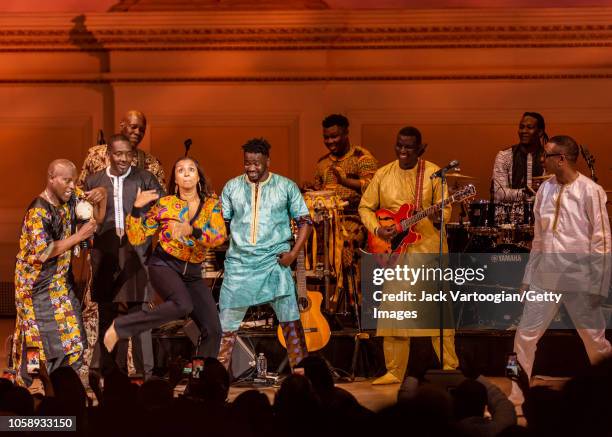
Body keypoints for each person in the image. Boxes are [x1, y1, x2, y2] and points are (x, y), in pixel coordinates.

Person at [510, 135, 612, 404]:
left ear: (561, 159)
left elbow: (602, 241)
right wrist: (528, 278)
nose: (542, 159)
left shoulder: (590, 191)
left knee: (595, 341)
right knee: (524, 337)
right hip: (545, 277)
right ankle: (517, 394)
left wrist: (600, 286)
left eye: (547, 155)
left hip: (580, 279)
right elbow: (539, 238)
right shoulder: (545, 190)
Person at [359, 126, 459, 385]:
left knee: (437, 313)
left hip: (428, 252)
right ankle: (394, 371)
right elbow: (365, 207)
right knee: (394, 311)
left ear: (421, 149)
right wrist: (379, 229)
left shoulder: (435, 175)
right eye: (399, 146)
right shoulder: (383, 174)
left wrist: (438, 216)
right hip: (395, 254)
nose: (403, 151)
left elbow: (444, 215)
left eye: (409, 147)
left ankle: (450, 366)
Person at [102, 156, 226, 359]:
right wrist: (135, 209)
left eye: (191, 169)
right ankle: (121, 326)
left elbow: (219, 237)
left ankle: (199, 382)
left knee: (213, 330)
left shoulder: (211, 205)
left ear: (198, 177)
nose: (186, 173)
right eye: (180, 170)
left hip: (193, 272)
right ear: (175, 180)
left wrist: (192, 231)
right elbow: (137, 236)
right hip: (164, 264)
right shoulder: (165, 204)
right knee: (182, 304)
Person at [77, 109, 165, 379]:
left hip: (136, 253)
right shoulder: (94, 181)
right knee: (106, 313)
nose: (124, 159)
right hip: (104, 254)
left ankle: (145, 374)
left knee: (141, 313)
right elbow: (81, 216)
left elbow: (163, 213)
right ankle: (109, 373)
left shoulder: (145, 178)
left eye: (128, 154)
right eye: (119, 154)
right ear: (108, 155)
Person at [217, 138, 313, 372]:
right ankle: (216, 379)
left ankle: (302, 379)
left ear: (268, 161)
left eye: (257, 163)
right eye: (247, 163)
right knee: (225, 327)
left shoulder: (286, 186)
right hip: (239, 265)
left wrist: (292, 254)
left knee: (291, 322)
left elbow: (305, 222)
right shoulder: (231, 187)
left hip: (274, 264)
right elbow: (222, 224)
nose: (252, 168)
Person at [12, 159, 106, 386]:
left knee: (75, 339)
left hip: (60, 282)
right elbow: (44, 252)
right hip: (35, 286)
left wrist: (102, 194)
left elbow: (99, 217)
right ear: (51, 179)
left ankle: (61, 384)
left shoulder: (71, 196)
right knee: (37, 340)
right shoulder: (38, 211)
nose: (72, 185)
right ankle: (33, 381)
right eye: (66, 180)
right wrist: (79, 236)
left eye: (73, 180)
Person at [312, 114, 378, 307]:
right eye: (326, 137)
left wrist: (345, 182)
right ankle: (317, 306)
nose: (330, 141)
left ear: (346, 133)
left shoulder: (362, 158)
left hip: (355, 218)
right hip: (327, 221)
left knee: (346, 243)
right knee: (303, 244)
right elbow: (319, 192)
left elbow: (373, 189)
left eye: (335, 136)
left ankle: (353, 306)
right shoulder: (322, 163)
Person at [492, 112, 548, 202]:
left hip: (541, 214)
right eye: (521, 127)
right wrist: (527, 193)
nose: (524, 131)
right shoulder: (504, 156)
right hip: (511, 214)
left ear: (540, 132)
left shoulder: (548, 157)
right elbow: (499, 194)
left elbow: (552, 193)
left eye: (529, 127)